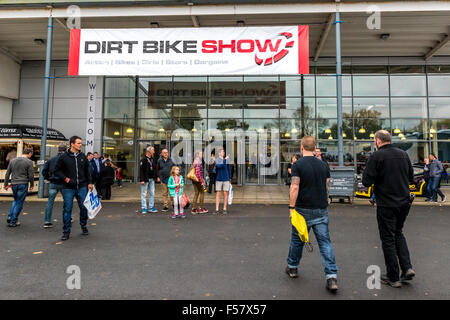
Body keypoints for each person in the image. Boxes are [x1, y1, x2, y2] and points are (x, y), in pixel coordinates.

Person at [362, 130, 416, 288]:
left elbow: (366, 181)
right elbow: (411, 177)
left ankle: (393, 276)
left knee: (388, 238)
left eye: (374, 140)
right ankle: (407, 267)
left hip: (386, 203)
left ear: (378, 141)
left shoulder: (376, 156)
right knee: (398, 232)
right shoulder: (403, 154)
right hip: (404, 202)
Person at [286, 136, 339, 293]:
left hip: (302, 210)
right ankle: (331, 276)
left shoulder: (298, 165)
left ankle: (292, 267)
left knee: (297, 240)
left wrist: (291, 207)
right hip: (321, 209)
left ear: (302, 147)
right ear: (314, 147)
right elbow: (326, 184)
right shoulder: (323, 165)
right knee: (325, 243)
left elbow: (295, 186)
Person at [54, 136, 93, 241]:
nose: (80, 145)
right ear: (72, 144)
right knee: (67, 209)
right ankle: (66, 231)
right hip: (68, 188)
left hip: (82, 186)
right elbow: (56, 171)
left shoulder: (83, 156)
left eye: (81, 143)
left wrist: (90, 182)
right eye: (79, 143)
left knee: (84, 207)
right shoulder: (63, 157)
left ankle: (83, 225)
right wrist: (66, 179)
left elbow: (87, 171)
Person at [3, 148, 34, 228]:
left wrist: (5, 184)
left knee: (16, 200)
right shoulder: (29, 162)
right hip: (23, 184)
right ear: (29, 153)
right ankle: (13, 221)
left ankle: (10, 216)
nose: (31, 156)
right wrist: (32, 184)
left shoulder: (12, 161)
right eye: (31, 154)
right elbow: (31, 175)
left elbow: (7, 173)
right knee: (19, 202)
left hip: (14, 184)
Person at [42, 143, 67, 228]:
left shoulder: (51, 159)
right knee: (67, 201)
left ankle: (47, 221)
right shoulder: (67, 159)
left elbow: (44, 171)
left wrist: (49, 178)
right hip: (64, 183)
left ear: (58, 149)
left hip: (53, 182)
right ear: (66, 149)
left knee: (50, 202)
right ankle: (67, 218)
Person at [139, 146, 158, 214]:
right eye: (153, 150)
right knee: (144, 194)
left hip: (152, 179)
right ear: (149, 151)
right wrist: (142, 179)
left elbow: (155, 168)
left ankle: (151, 207)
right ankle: (144, 208)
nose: (154, 151)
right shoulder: (143, 159)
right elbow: (141, 170)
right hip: (145, 179)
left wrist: (156, 177)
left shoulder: (153, 159)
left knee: (152, 193)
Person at [214, 148, 232, 215]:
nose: (223, 153)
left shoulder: (226, 160)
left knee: (225, 193)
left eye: (224, 151)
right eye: (222, 152)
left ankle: (224, 208)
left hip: (226, 178)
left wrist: (230, 177)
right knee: (218, 193)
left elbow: (229, 169)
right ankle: (217, 209)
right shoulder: (217, 160)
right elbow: (219, 166)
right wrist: (225, 160)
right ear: (219, 153)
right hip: (219, 179)